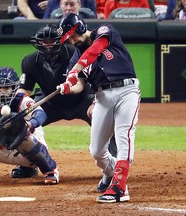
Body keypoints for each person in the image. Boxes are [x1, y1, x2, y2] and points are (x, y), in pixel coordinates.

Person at [10, 24, 117, 180]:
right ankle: (27, 165)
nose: (48, 45)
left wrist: (92, 100)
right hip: (50, 103)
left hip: (82, 100)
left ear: (60, 41)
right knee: (23, 121)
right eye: (44, 42)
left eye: (51, 41)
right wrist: (18, 110)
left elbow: (89, 80)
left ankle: (116, 164)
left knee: (104, 117)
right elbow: (24, 91)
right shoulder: (30, 61)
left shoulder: (74, 52)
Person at [57, 13, 141, 203]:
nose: (71, 40)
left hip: (127, 90)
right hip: (102, 96)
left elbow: (95, 50)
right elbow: (79, 84)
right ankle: (111, 173)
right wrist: (67, 87)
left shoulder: (105, 31)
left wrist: (74, 70)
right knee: (96, 151)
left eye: (72, 35)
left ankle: (120, 188)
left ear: (80, 27)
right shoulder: (76, 57)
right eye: (67, 39)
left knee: (124, 137)